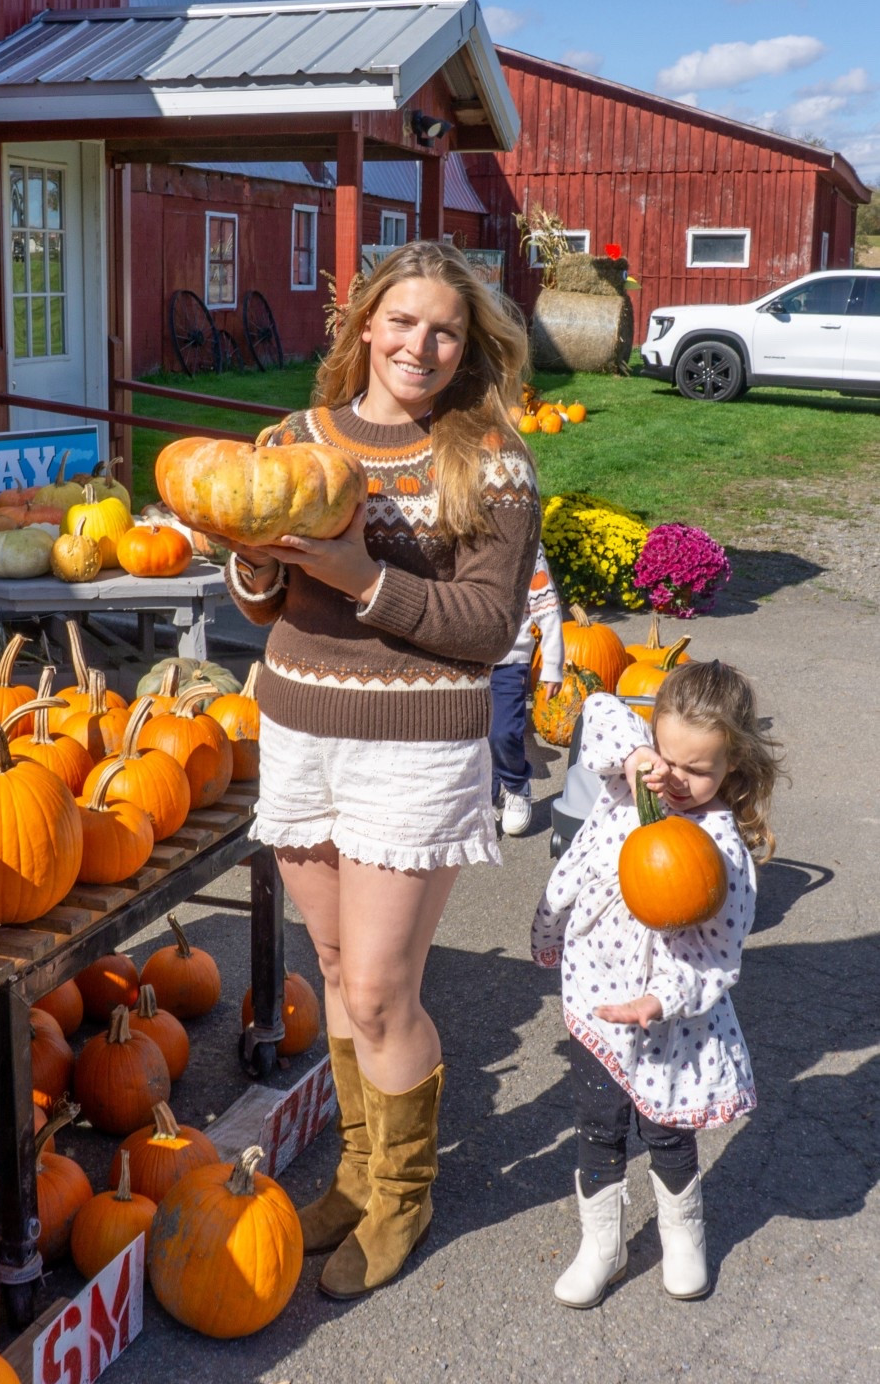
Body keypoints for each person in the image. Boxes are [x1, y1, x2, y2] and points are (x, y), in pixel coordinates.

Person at [223, 240, 539, 1299]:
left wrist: (361, 576)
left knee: (379, 984)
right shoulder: (295, 439)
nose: (420, 344)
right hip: (301, 729)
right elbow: (264, 607)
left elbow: (489, 626)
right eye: (400, 322)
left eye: (443, 329)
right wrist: (253, 561)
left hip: (412, 742)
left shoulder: (487, 456)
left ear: (467, 345)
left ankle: (402, 1192)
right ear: (364, 325)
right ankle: (356, 1174)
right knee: (328, 961)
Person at [531, 661, 782, 1306]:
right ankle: (602, 1244)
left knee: (667, 1131)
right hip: (596, 993)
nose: (675, 778)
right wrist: (642, 752)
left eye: (699, 770)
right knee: (597, 1123)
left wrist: (661, 999)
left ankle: (683, 1233)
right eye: (668, 756)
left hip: (671, 1022)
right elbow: (601, 711)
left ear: (735, 766)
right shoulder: (633, 778)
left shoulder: (721, 848)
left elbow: (715, 957)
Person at [491, 544, 564, 836]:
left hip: (510, 658)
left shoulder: (526, 546)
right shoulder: (458, 532)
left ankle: (515, 783)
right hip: (465, 658)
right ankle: (484, 794)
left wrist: (552, 666)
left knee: (503, 731)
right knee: (471, 735)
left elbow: (547, 608)